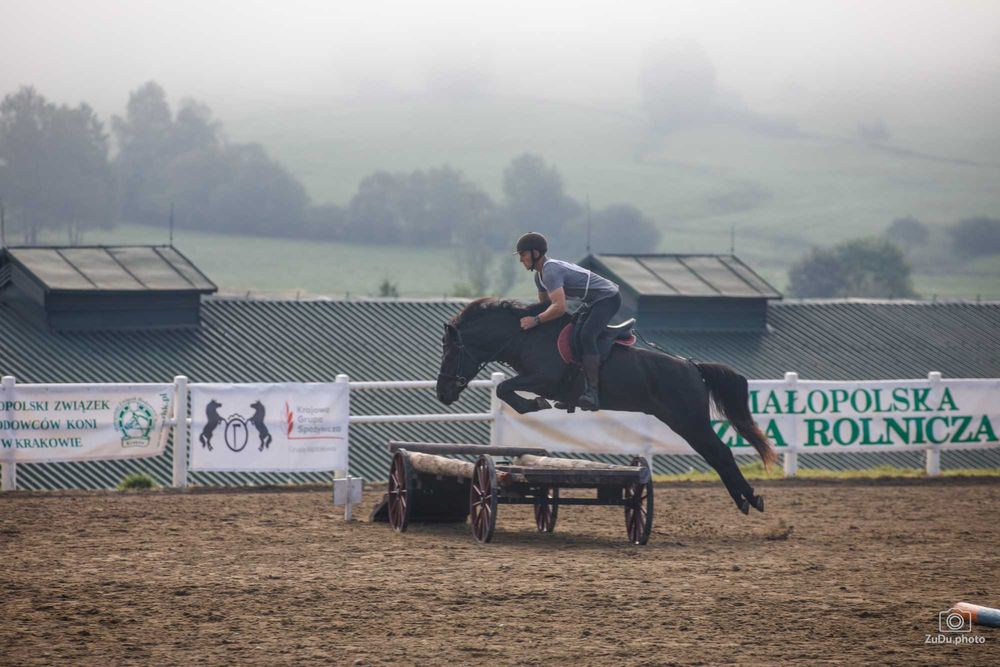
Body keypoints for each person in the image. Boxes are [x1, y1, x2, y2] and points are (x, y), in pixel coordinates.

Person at [514, 232, 622, 411]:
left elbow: (559, 308)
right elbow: (545, 307)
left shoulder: (550, 271)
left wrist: (535, 320)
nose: (521, 260)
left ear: (535, 253)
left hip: (608, 298)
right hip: (593, 301)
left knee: (586, 336)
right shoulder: (539, 276)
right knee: (571, 334)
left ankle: (593, 393)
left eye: (523, 254)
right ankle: (573, 393)